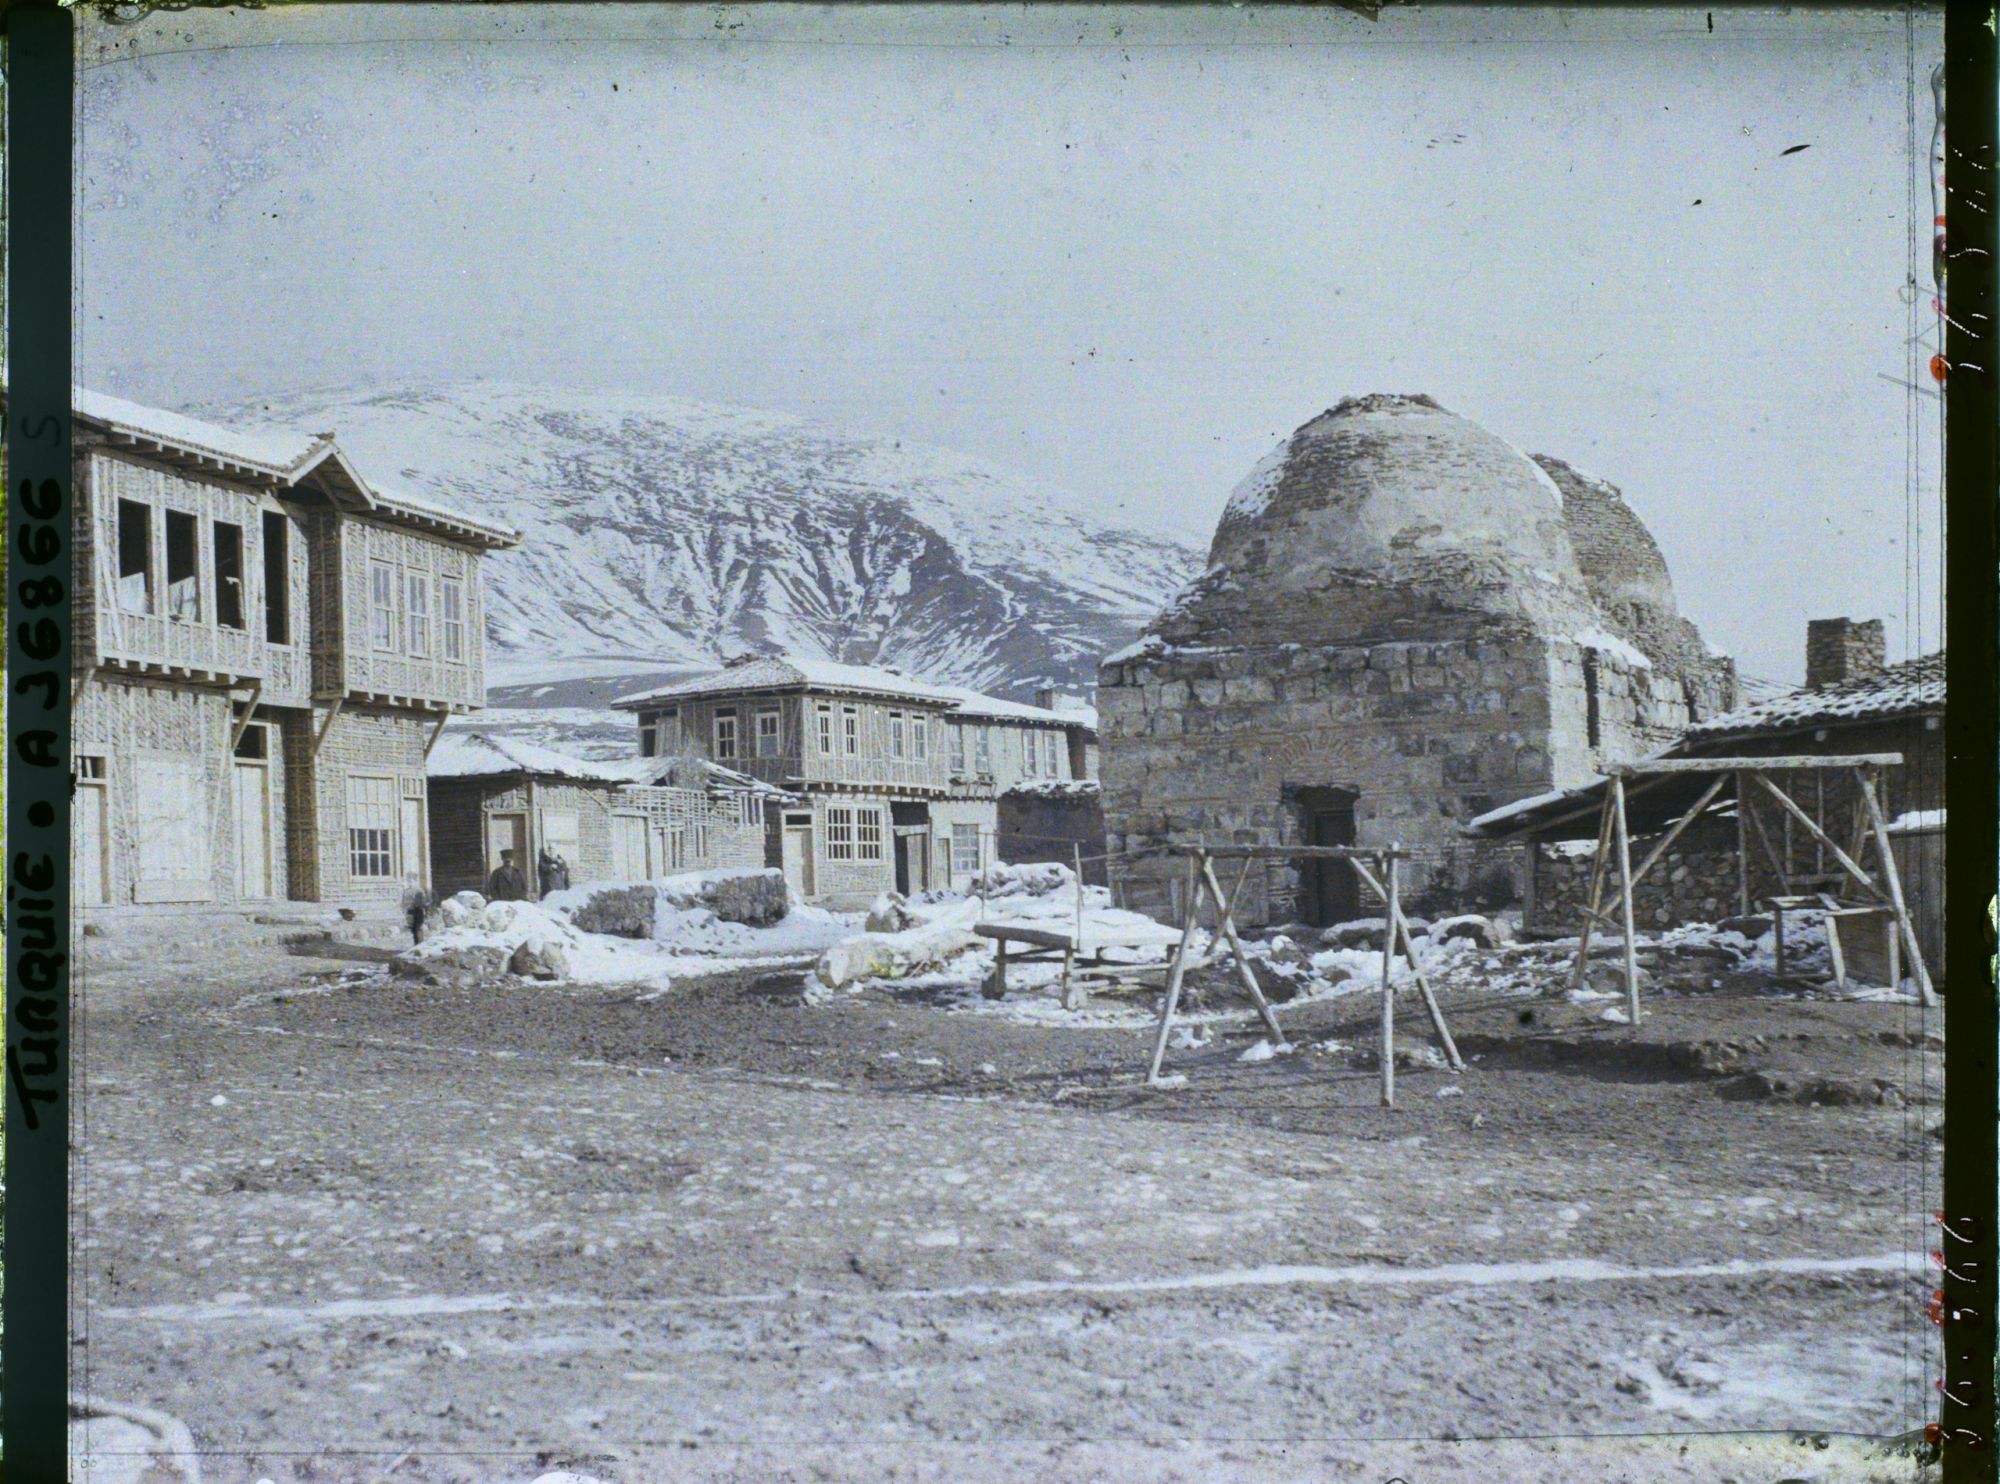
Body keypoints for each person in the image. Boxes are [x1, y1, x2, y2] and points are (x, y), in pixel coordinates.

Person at [400, 876, 432, 946]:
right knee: (412, 929)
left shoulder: (419, 891)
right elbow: (403, 901)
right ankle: (416, 943)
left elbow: (423, 901)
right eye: (408, 881)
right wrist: (404, 910)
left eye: (411, 881)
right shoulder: (406, 891)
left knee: (418, 928)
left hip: (418, 911)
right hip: (409, 911)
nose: (410, 883)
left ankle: (420, 944)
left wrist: (423, 909)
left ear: (415, 881)